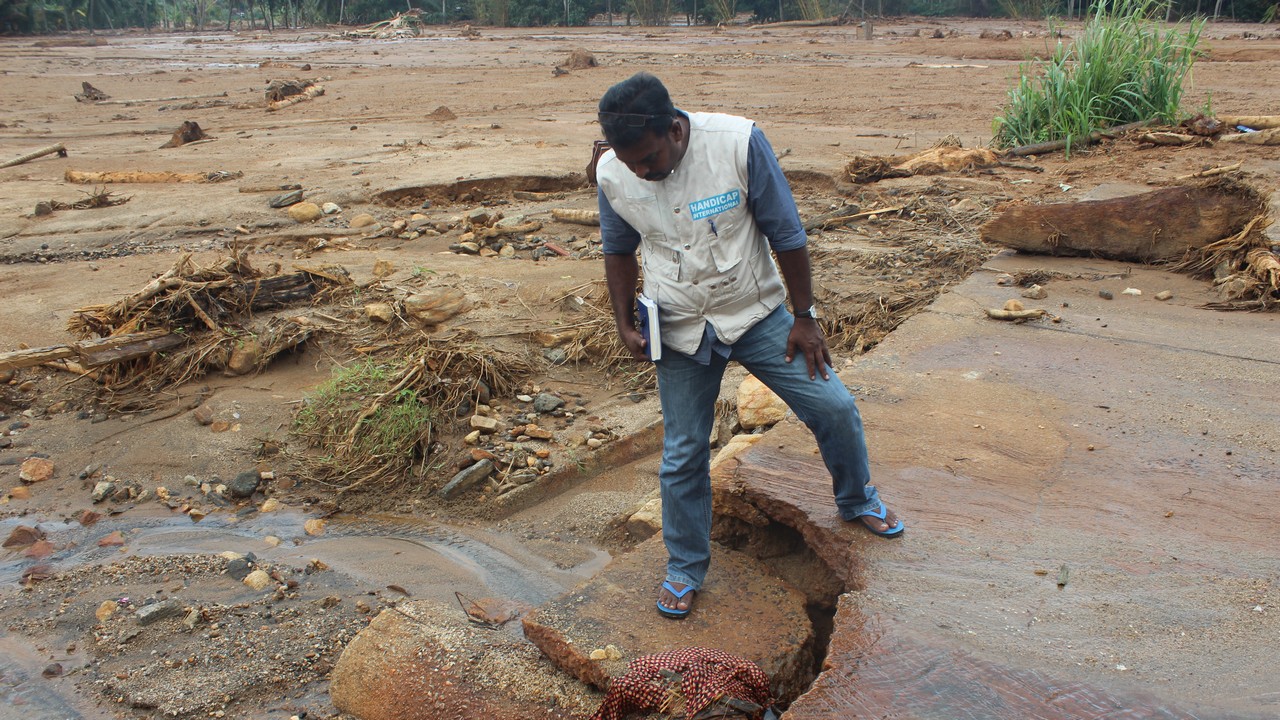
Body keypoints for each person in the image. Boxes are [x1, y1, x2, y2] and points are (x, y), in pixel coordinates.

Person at [594, 73, 903, 620]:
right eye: (629, 161)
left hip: (756, 313)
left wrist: (804, 317)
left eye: (648, 158)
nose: (641, 171)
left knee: (833, 406)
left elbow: (787, 232)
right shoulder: (615, 170)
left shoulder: (736, 143)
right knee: (683, 454)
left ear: (675, 129)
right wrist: (623, 322)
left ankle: (857, 500)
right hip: (680, 323)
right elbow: (618, 250)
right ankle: (685, 568)